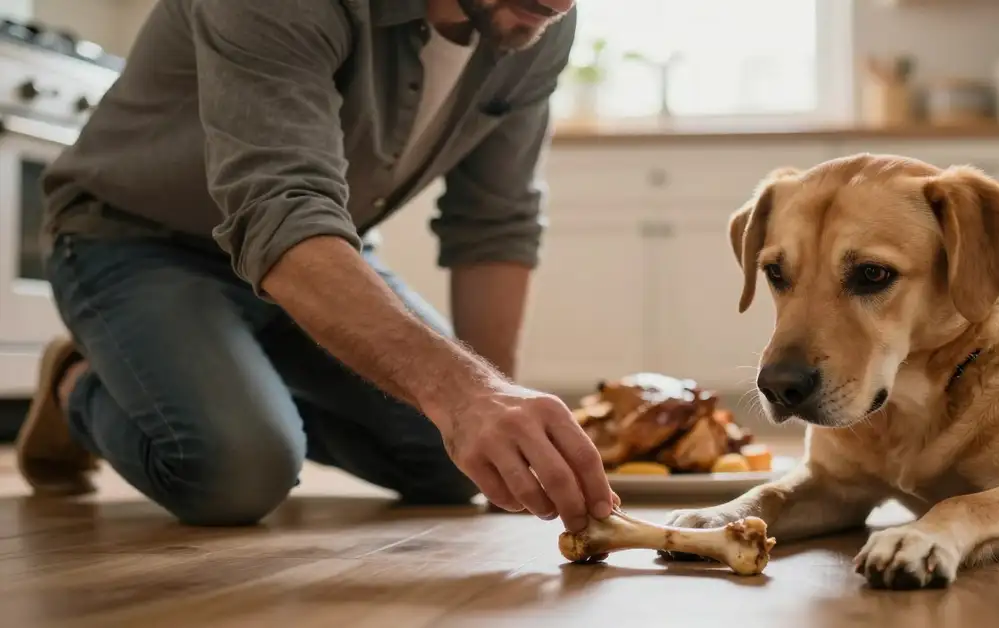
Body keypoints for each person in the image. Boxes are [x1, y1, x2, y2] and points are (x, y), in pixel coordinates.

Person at [17, 0, 616, 533]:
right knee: (236, 473)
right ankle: (80, 381)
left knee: (454, 466)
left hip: (321, 257)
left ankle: (223, 381)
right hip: (137, 241)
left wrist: (497, 410)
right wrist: (463, 396)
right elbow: (280, 208)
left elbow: (495, 223)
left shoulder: (534, 18)